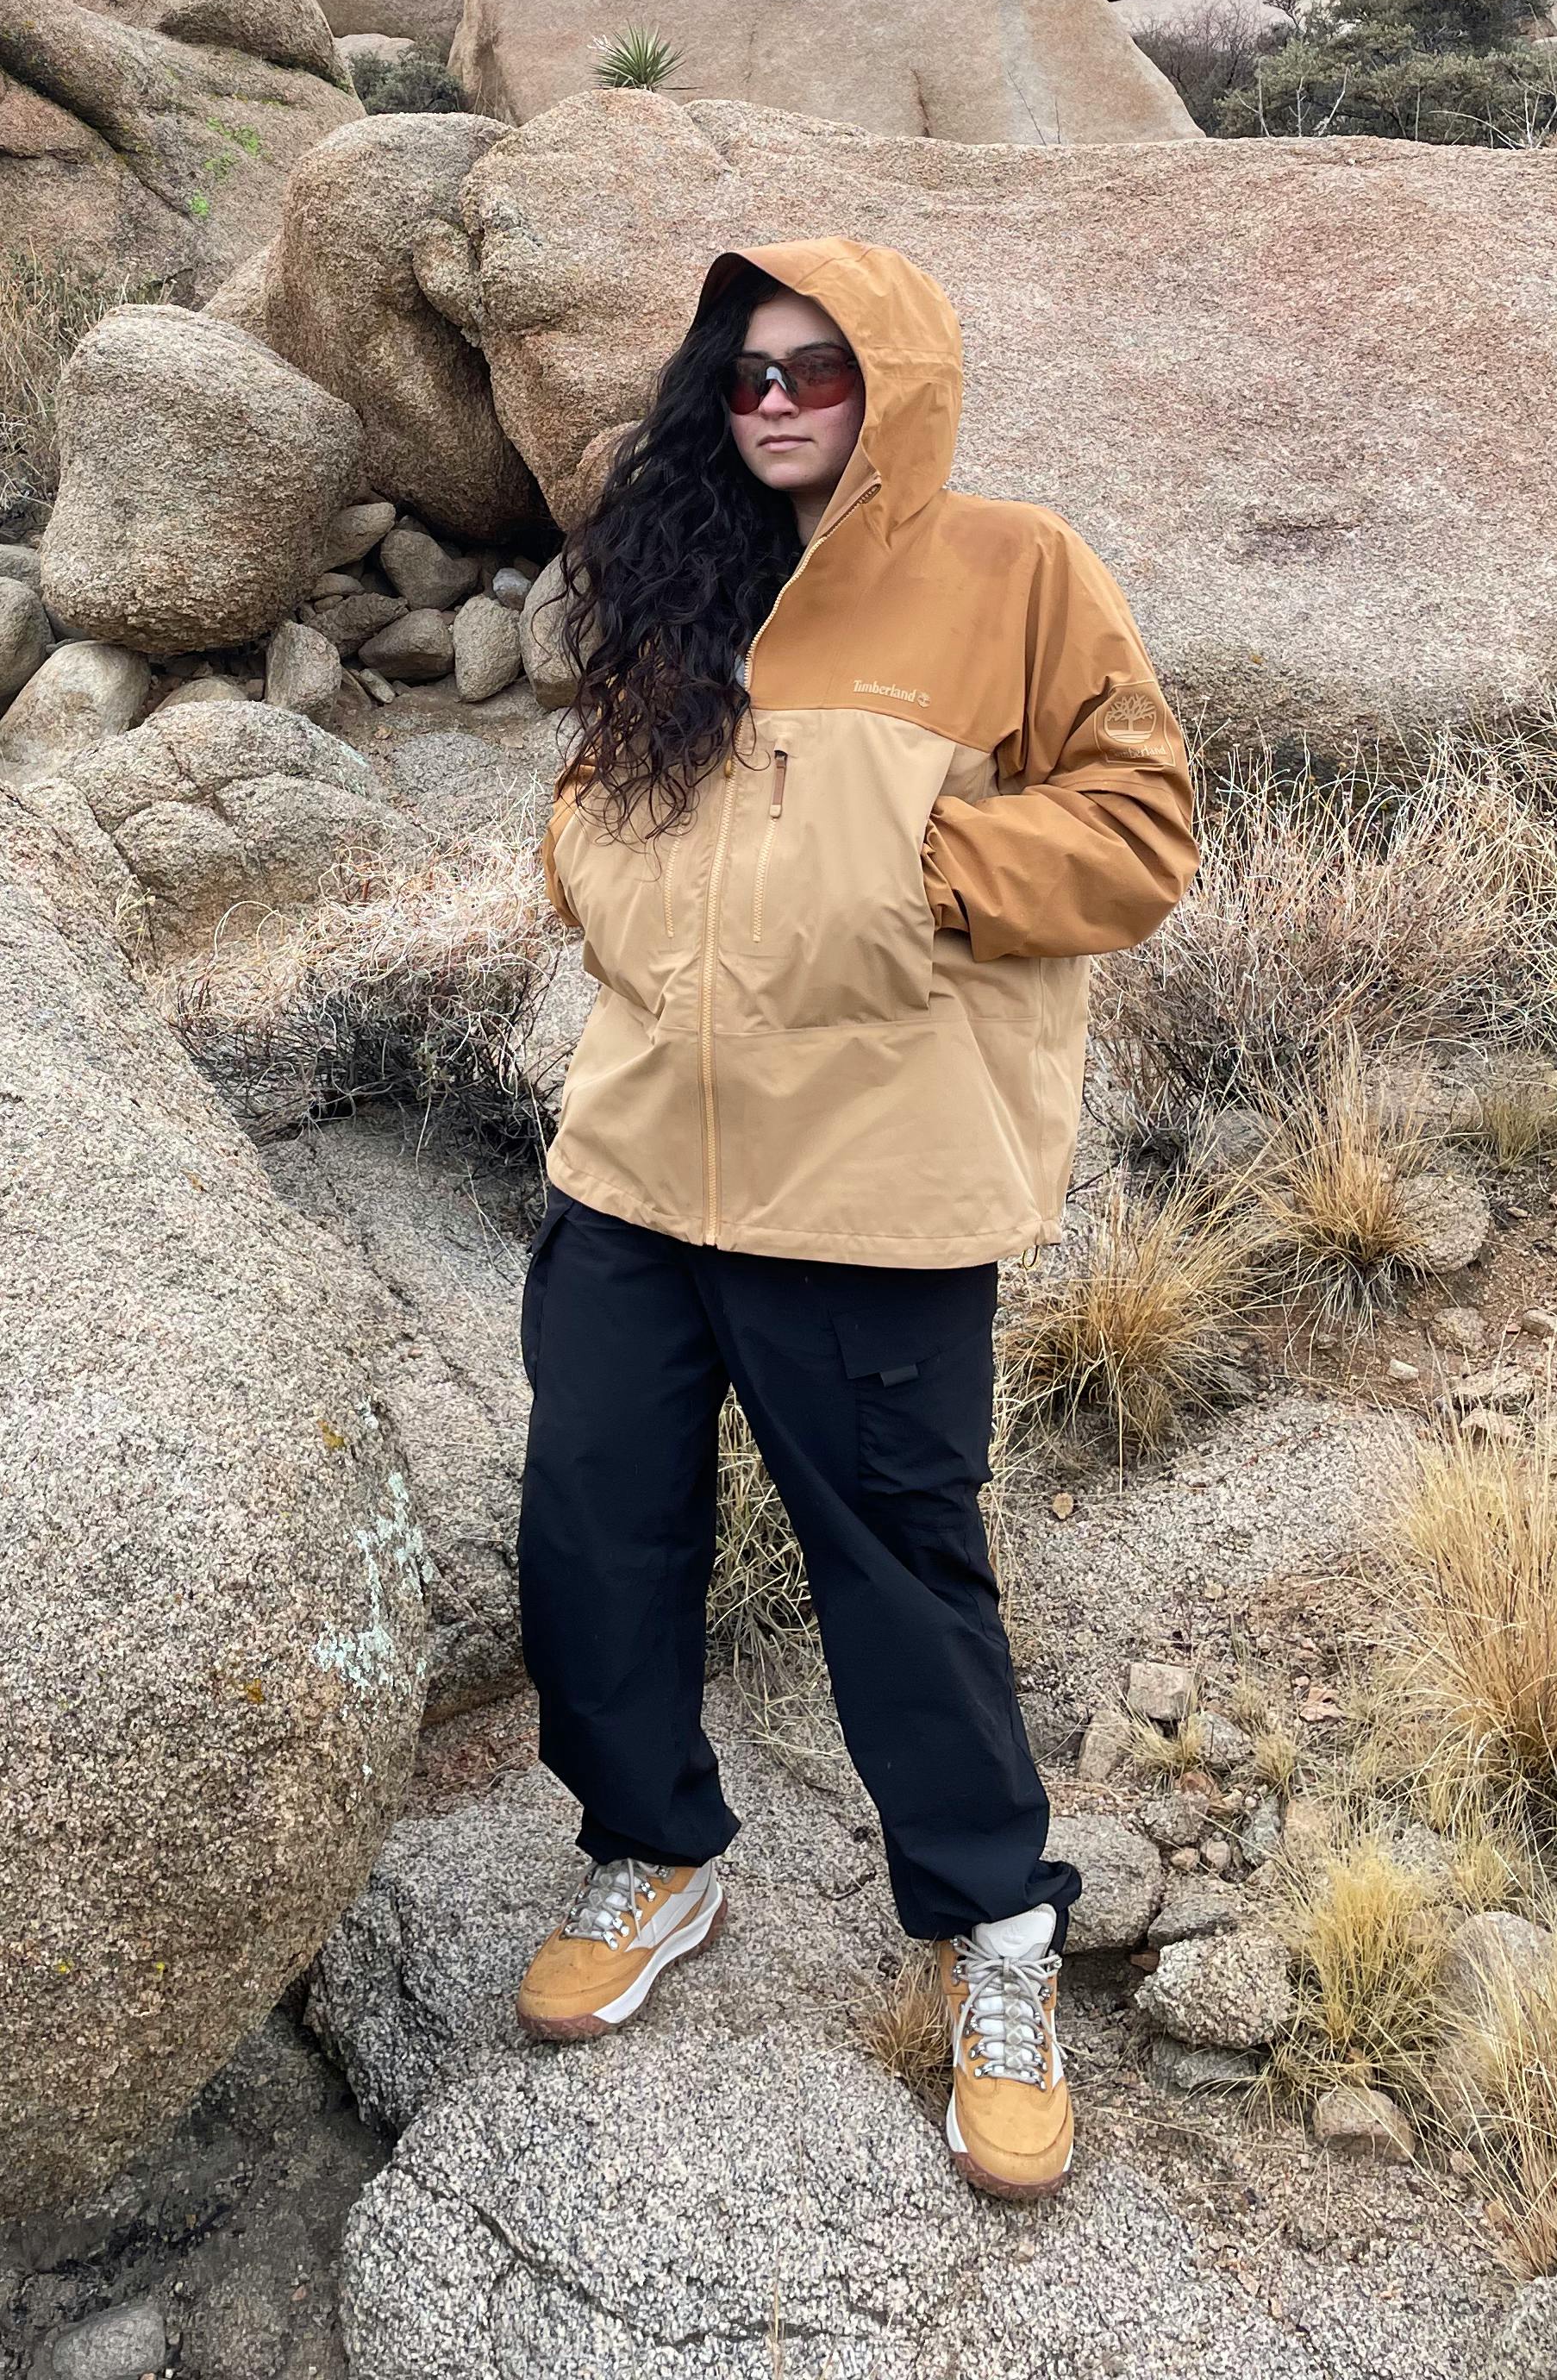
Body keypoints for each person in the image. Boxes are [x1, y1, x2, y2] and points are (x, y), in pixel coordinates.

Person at [511, 235, 1197, 2204]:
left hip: (873, 1191)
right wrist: (606, 878)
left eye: (819, 367)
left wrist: (904, 874)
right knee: (591, 1528)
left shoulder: (1014, 572)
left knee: (900, 1576)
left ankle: (995, 1938)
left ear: (892, 377)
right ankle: (653, 1855)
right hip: (640, 1162)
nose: (780, 400)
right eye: (746, 373)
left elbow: (1142, 830)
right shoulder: (680, 574)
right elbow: (591, 805)